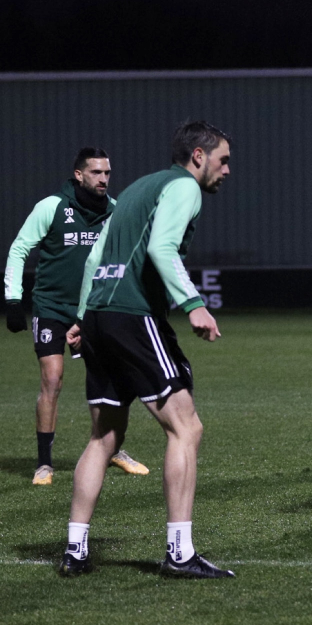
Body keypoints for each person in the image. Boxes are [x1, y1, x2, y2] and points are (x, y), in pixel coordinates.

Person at [58, 121, 234, 579]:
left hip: (99, 312)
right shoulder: (183, 187)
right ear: (199, 156)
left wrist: (82, 316)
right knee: (186, 427)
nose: (227, 169)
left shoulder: (138, 187)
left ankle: (75, 549)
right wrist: (194, 303)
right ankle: (180, 552)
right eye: (223, 159)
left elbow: (96, 257)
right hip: (132, 315)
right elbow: (161, 246)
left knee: (104, 436)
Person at [5, 148, 148, 485]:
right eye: (96, 173)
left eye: (107, 173)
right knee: (52, 380)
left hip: (94, 309)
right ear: (79, 175)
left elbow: (128, 258)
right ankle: (44, 464)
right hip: (52, 308)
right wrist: (13, 299)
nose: (104, 179)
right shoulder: (52, 207)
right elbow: (19, 248)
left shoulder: (115, 211)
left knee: (110, 380)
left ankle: (112, 450)